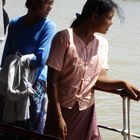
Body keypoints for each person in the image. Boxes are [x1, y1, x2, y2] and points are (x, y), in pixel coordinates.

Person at [44, 0, 140, 140]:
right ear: (95, 16)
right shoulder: (64, 37)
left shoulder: (102, 45)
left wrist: (122, 83)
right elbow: (52, 81)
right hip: (61, 111)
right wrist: (58, 117)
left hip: (87, 111)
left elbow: (99, 80)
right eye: (109, 18)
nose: (111, 23)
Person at [0, 0, 56, 138]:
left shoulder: (48, 26)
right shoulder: (14, 23)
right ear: (36, 2)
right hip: (20, 86)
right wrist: (24, 63)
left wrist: (17, 63)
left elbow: (41, 60)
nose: (51, 7)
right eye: (48, 3)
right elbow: (6, 57)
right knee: (15, 130)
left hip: (29, 85)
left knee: (28, 130)